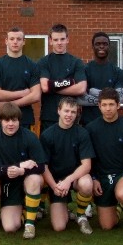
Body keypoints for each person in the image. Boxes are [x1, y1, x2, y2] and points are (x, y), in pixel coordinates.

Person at [0, 102, 47, 239]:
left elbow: (41, 166)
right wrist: (19, 166)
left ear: (19, 120)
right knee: (10, 227)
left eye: (14, 120)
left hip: (26, 180)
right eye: (6, 120)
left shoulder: (30, 137)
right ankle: (25, 210)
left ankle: (30, 224)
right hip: (9, 185)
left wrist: (22, 172)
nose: (10, 124)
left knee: (35, 178)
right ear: (1, 120)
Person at [86, 88, 123, 231]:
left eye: (111, 104)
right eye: (104, 105)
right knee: (107, 226)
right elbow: (87, 158)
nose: (108, 108)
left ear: (118, 105)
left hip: (122, 174)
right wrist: (93, 178)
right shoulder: (91, 129)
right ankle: (117, 208)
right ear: (99, 106)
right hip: (102, 177)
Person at [40, 97, 95, 234]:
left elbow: (86, 165)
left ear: (77, 113)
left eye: (73, 112)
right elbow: (44, 166)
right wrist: (54, 186)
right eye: (66, 111)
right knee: (59, 227)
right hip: (56, 182)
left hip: (75, 178)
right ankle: (65, 209)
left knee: (87, 183)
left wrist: (68, 180)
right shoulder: (47, 135)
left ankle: (81, 215)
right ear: (58, 111)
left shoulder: (82, 133)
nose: (69, 115)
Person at [38, 24, 87, 134]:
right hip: (49, 116)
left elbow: (81, 89)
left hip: (71, 117)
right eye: (56, 40)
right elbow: (45, 87)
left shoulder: (76, 62)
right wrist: (70, 82)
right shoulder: (44, 62)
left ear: (67, 39)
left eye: (62, 39)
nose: (59, 43)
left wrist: (53, 86)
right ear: (50, 41)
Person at [0, 27, 41, 130]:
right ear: (6, 41)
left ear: (24, 42)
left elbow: (35, 95)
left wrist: (10, 104)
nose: (15, 42)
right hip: (3, 117)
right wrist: (23, 93)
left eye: (18, 39)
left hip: (24, 118)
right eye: (12, 39)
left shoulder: (32, 65)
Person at [78, 32, 123, 126]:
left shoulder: (117, 71)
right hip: (88, 123)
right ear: (92, 47)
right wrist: (109, 98)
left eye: (105, 44)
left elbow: (120, 98)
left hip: (112, 123)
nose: (101, 46)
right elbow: (80, 98)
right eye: (98, 44)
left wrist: (93, 91)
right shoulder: (84, 70)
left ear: (109, 46)